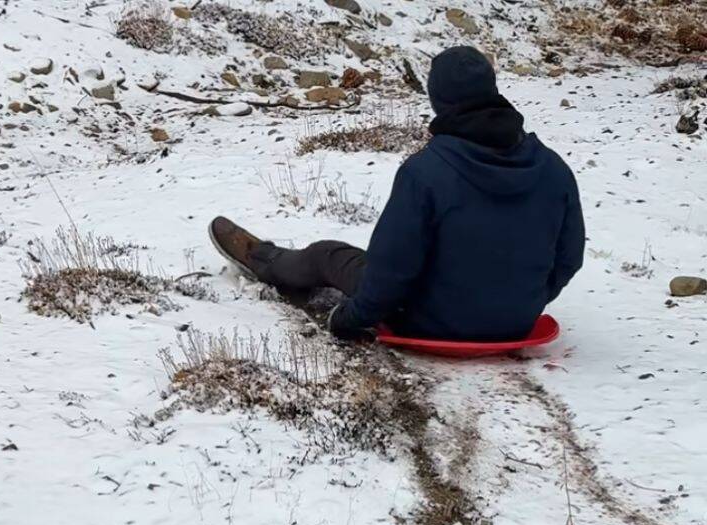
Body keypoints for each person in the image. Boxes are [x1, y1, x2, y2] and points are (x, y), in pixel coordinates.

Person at [210, 46, 585, 342]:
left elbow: (391, 274)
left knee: (329, 254)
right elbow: (569, 259)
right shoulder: (554, 169)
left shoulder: (425, 173)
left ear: (438, 101)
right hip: (517, 322)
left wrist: (348, 318)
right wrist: (522, 303)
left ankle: (265, 259)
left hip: (427, 321)